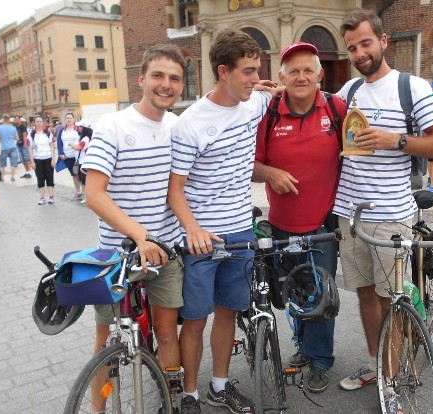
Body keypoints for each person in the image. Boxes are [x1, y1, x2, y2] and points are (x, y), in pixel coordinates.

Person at [333, 9, 433, 407]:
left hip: (391, 216)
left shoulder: (411, 87)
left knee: (390, 300)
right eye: (352, 47)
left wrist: (395, 140)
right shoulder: (348, 92)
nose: (360, 52)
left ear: (383, 41)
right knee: (365, 294)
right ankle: (376, 363)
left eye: (366, 43)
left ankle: (393, 379)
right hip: (349, 215)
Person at [168, 28, 274, 414]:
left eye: (256, 70)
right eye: (247, 71)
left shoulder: (254, 102)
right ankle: (190, 394)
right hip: (202, 237)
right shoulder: (190, 123)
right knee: (195, 320)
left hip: (241, 232)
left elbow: (269, 92)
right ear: (222, 70)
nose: (253, 78)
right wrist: (192, 229)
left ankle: (219, 386)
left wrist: (266, 86)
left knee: (228, 312)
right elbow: (174, 189)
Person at [81, 43, 186, 413]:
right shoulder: (112, 125)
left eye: (175, 78)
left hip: (165, 251)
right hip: (116, 255)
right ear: (141, 78)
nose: (166, 84)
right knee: (105, 339)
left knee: (167, 332)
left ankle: (169, 401)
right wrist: (140, 236)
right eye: (158, 75)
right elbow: (93, 193)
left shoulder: (178, 127)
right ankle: (98, 409)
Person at [252, 41, 345, 394]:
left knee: (321, 293)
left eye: (308, 70)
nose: (301, 76)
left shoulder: (337, 108)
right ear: (281, 76)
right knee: (295, 291)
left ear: (320, 74)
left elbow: (357, 151)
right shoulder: (270, 111)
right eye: (293, 71)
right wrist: (271, 174)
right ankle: (304, 347)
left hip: (323, 224)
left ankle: (321, 361)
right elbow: (251, 164)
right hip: (282, 222)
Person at [28, 116, 56, 205]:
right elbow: (30, 148)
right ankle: (42, 197)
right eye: (37, 121)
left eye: (40, 121)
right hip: (38, 159)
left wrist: (53, 159)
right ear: (34, 123)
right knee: (40, 178)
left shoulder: (48, 133)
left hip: (48, 158)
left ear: (43, 123)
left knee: (49, 178)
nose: (39, 123)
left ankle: (51, 196)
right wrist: (32, 161)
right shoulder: (31, 134)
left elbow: (52, 146)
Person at [57, 112, 84, 200]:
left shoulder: (78, 130)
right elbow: (59, 143)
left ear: (73, 119)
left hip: (77, 157)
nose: (69, 119)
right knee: (74, 174)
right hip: (67, 156)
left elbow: (83, 140)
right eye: (67, 118)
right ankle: (78, 192)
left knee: (79, 174)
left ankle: (85, 192)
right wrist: (61, 153)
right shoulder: (62, 130)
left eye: (70, 118)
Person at [71, 119, 92, 204]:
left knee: (84, 181)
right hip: (82, 162)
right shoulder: (84, 138)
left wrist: (71, 144)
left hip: (83, 162)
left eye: (80, 126)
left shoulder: (85, 139)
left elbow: (78, 147)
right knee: (82, 180)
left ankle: (87, 197)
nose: (78, 128)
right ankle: (86, 196)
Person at [0, 115, 19, 182]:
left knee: (2, 163)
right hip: (13, 147)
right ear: (9, 120)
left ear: (3, 119)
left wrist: (1, 137)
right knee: (13, 162)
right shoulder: (13, 128)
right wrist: (11, 138)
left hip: (4, 147)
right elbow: (17, 138)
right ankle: (12, 177)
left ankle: (2, 177)